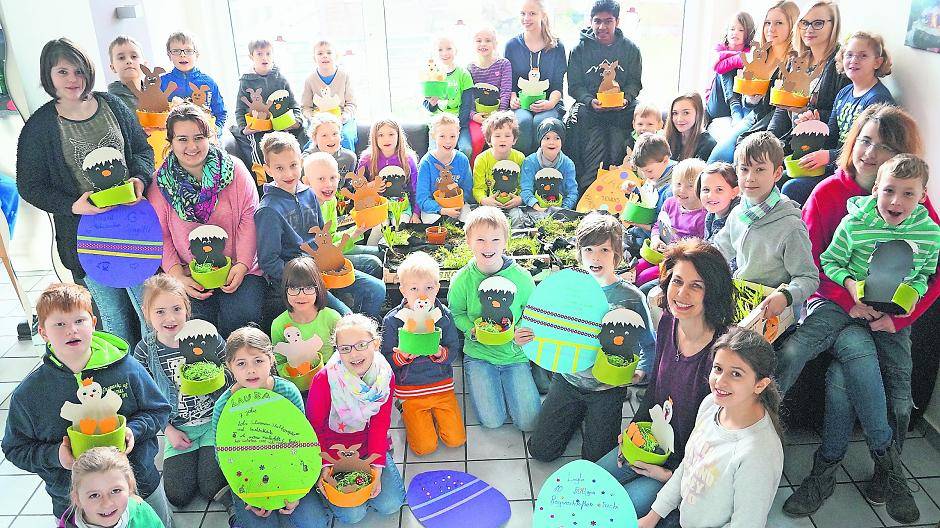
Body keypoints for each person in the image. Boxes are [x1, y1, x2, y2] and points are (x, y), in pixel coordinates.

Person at [777, 103, 940, 521]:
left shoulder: (915, 205)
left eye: (883, 147)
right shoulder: (829, 193)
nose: (869, 153)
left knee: (845, 382)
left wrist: (898, 318)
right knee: (851, 360)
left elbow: (932, 271)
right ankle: (861, 469)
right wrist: (851, 300)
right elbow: (813, 264)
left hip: (889, 316)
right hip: (837, 303)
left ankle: (850, 471)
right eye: (865, 140)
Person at [16, 38, 153, 347]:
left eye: (78, 71)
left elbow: (143, 152)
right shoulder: (40, 126)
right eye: (62, 72)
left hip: (133, 229)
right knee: (113, 317)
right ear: (48, 75)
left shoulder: (113, 106)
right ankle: (126, 385)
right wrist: (72, 205)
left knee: (149, 314)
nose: (72, 80)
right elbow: (29, 186)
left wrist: (140, 180)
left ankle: (157, 384)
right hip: (85, 238)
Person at [1, 283, 173, 525]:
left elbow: (158, 409)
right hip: (71, 500)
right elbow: (14, 448)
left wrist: (133, 430)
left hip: (140, 486)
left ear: (93, 323)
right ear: (43, 332)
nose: (71, 330)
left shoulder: (126, 368)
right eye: (59, 324)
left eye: (79, 321)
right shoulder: (30, 394)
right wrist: (56, 456)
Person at [596, 239, 736, 519]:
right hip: (650, 443)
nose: (682, 294)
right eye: (677, 281)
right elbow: (654, 392)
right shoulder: (668, 323)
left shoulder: (723, 355)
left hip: (685, 467)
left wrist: (668, 475)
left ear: (713, 293)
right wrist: (633, 434)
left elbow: (720, 442)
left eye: (696, 286)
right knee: (590, 484)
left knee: (615, 512)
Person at [526, 214, 655, 462]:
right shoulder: (567, 289)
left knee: (596, 461)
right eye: (589, 249)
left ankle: (585, 418)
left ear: (616, 254)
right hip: (568, 381)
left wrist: (639, 373)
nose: (595, 257)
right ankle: (574, 417)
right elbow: (546, 325)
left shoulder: (631, 297)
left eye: (604, 250)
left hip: (607, 390)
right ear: (579, 252)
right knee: (540, 451)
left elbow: (648, 344)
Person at [638, 328, 784, 528]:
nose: (720, 382)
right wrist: (652, 516)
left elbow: (747, 523)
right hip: (681, 516)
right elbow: (688, 465)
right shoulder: (711, 404)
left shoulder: (758, 454)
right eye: (717, 368)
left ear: (760, 385)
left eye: (736, 374)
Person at [147, 103, 265, 337]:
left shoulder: (235, 170)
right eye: (182, 139)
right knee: (197, 330)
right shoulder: (159, 183)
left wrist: (241, 266)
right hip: (188, 275)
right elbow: (159, 233)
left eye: (198, 137)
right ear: (170, 142)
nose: (191, 146)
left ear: (209, 137)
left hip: (240, 269)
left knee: (242, 320)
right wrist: (177, 275)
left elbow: (248, 218)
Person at [253, 132, 385, 319]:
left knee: (377, 289)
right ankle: (347, 326)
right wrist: (306, 280)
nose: (289, 174)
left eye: (293, 165)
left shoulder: (308, 194)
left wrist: (333, 257)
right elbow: (269, 262)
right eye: (279, 168)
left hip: (322, 265)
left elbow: (324, 237)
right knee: (344, 316)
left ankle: (360, 330)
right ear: (268, 169)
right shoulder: (268, 211)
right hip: (301, 280)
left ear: (300, 161)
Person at [212, 327, 332, 528]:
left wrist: (297, 491)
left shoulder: (288, 391)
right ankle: (233, 506)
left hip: (289, 471)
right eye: (241, 363)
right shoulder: (224, 405)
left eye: (258, 361)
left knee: (316, 523)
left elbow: (303, 443)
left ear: (271, 360)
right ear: (229, 366)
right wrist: (251, 495)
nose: (251, 370)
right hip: (250, 476)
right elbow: (221, 453)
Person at [133, 274, 227, 509]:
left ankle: (209, 461)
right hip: (177, 428)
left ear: (187, 308)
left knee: (212, 487)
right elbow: (142, 397)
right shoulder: (146, 350)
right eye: (160, 312)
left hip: (213, 422)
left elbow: (232, 372)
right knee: (177, 496)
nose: (170, 318)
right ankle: (195, 459)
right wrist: (168, 430)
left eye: (176, 308)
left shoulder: (208, 336)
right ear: (147, 313)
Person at [447, 206, 540, 431]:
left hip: (514, 356)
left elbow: (533, 313)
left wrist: (521, 331)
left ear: (506, 242)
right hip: (479, 355)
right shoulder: (462, 280)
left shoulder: (521, 278)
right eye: (480, 240)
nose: (488, 247)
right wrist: (471, 330)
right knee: (492, 421)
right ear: (468, 241)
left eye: (495, 240)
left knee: (529, 423)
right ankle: (483, 382)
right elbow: (456, 313)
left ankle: (528, 378)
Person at [308, 315, 407, 524]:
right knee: (353, 515)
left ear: (376, 344)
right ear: (337, 350)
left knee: (391, 503)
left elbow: (380, 424)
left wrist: (376, 468)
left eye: (361, 345)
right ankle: (323, 494)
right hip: (334, 451)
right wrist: (324, 466)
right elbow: (314, 427)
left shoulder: (384, 376)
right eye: (345, 348)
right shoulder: (325, 379)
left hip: (367, 446)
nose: (353, 354)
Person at [713, 131, 819, 320]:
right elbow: (719, 249)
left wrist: (785, 296)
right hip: (743, 297)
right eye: (744, 169)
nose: (750, 177)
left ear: (777, 173)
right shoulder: (738, 213)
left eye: (760, 169)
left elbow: (808, 278)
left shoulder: (791, 226)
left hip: (776, 311)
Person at [782, 31, 895, 205]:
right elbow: (832, 135)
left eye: (863, 56)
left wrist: (829, 156)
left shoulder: (877, 100)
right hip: (835, 163)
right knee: (781, 175)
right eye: (849, 55)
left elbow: (873, 153)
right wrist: (814, 126)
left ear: (877, 62)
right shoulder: (844, 93)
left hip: (857, 173)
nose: (854, 60)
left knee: (793, 187)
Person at [381, 251, 465, 456]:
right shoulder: (393, 320)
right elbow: (385, 358)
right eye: (414, 288)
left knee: (456, 440)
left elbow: (454, 349)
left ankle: (433, 416)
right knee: (424, 448)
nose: (422, 295)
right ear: (402, 290)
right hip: (411, 390)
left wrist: (440, 353)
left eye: (429, 287)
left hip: (441, 386)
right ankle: (406, 409)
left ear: (437, 287)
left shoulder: (443, 316)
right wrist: (401, 357)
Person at [708, 1, 799, 164]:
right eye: (767, 23)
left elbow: (782, 110)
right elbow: (750, 103)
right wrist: (751, 98)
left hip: (774, 121)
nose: (771, 28)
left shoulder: (795, 60)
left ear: (792, 26)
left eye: (779, 23)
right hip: (755, 114)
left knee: (736, 155)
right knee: (717, 157)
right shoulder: (760, 54)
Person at [566, 0, 643, 192]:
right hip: (591, 108)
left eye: (608, 21)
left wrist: (627, 99)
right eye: (597, 21)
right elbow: (574, 86)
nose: (602, 26)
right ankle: (584, 186)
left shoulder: (631, 50)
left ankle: (624, 185)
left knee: (640, 113)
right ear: (591, 22)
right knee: (578, 116)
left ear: (617, 21)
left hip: (621, 108)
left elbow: (635, 83)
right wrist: (589, 101)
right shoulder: (579, 50)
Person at [767, 1, 847, 150]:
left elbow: (841, 118)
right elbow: (782, 110)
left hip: (817, 147)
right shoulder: (796, 60)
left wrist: (806, 111)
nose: (809, 29)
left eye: (818, 23)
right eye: (804, 23)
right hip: (790, 139)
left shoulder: (841, 64)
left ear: (833, 25)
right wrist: (769, 139)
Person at [304, 152, 384, 280]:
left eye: (333, 178)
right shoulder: (307, 210)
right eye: (321, 179)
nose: (329, 184)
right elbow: (323, 251)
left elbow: (332, 236)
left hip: (335, 249)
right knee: (373, 264)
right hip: (322, 261)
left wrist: (358, 230)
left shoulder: (330, 201)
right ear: (307, 182)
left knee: (381, 253)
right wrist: (353, 235)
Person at [233, 39, 306, 171]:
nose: (264, 57)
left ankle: (296, 176)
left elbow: (294, 105)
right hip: (258, 129)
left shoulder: (281, 79)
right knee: (257, 147)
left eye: (268, 53)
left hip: (281, 126)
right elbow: (239, 110)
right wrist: (244, 128)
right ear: (251, 57)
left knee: (297, 142)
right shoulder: (246, 82)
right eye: (259, 54)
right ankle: (262, 180)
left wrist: (297, 121)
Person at [505, 0, 567, 154]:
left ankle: (544, 172)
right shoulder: (512, 46)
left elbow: (557, 85)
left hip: (549, 103)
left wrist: (550, 103)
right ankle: (522, 168)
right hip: (521, 106)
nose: (526, 18)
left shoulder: (557, 46)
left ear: (543, 15)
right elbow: (509, 82)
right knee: (522, 122)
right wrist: (513, 98)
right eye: (523, 13)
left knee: (543, 123)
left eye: (532, 13)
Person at [634, 158, 707, 287]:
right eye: (678, 184)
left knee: (644, 277)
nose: (681, 190)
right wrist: (656, 239)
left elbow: (699, 249)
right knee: (635, 269)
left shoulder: (703, 215)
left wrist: (673, 249)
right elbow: (658, 225)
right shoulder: (670, 203)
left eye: (690, 186)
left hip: (679, 262)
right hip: (659, 253)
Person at [58, 447, 164, 528]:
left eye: (115, 491)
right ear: (77, 499)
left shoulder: (141, 512)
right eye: (94, 495)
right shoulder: (67, 524)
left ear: (129, 488)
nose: (107, 503)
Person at [271, 256, 342, 366]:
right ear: (285, 290)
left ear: (318, 289)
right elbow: (279, 361)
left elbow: (342, 353)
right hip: (295, 378)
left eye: (309, 288)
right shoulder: (278, 324)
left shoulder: (332, 318)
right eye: (294, 288)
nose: (301, 295)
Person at [462, 28, 513, 164]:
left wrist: (497, 116)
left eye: (488, 41)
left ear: (495, 44)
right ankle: (474, 173)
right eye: (478, 41)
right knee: (477, 139)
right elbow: (468, 97)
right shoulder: (469, 68)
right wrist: (473, 115)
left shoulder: (504, 64)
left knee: (501, 138)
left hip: (500, 116)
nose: (483, 44)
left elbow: (506, 91)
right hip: (478, 117)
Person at [160, 32, 227, 135]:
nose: (182, 55)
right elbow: (157, 114)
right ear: (169, 55)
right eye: (176, 51)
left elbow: (221, 113)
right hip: (175, 139)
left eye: (188, 51)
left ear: (197, 54)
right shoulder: (162, 83)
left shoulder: (208, 82)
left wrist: (216, 131)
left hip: (206, 137)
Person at [356, 118, 420, 222]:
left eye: (391, 134)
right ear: (374, 138)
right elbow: (358, 189)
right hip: (377, 206)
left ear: (398, 136)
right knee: (379, 227)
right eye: (381, 135)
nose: (387, 139)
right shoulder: (366, 159)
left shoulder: (407, 159)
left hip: (402, 207)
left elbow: (416, 188)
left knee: (399, 227)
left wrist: (416, 213)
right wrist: (370, 186)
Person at [518, 118, 577, 225]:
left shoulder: (568, 164)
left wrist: (563, 209)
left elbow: (572, 192)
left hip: (560, 209)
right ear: (540, 140)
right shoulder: (530, 162)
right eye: (547, 138)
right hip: (535, 208)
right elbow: (525, 189)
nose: (551, 142)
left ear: (562, 141)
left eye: (557, 138)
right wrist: (536, 206)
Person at [624, 133, 675, 256]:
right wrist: (634, 192)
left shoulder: (672, 190)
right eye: (642, 171)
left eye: (648, 171)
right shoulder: (656, 173)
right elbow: (648, 200)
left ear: (665, 160)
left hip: (655, 243)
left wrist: (646, 226)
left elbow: (670, 232)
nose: (646, 175)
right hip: (640, 232)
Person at [302, 40, 358, 152]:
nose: (324, 56)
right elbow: (305, 107)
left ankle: (347, 168)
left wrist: (344, 117)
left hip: (342, 120)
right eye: (320, 53)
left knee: (345, 138)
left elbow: (351, 104)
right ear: (314, 58)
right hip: (319, 122)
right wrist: (314, 119)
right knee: (310, 145)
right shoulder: (310, 79)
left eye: (329, 53)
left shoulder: (344, 76)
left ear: (336, 56)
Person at [417, 112, 474, 221]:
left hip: (458, 205)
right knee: (434, 223)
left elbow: (467, 189)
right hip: (433, 208)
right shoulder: (426, 163)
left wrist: (457, 204)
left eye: (452, 136)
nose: (448, 141)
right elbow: (422, 198)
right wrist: (442, 209)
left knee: (468, 221)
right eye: (442, 136)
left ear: (458, 134)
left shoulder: (462, 160)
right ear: (434, 136)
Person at [423, 36, 474, 159]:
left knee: (466, 149)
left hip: (459, 122)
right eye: (440, 50)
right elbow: (427, 104)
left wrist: (457, 125)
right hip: (438, 123)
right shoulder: (431, 74)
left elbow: (467, 104)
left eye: (449, 48)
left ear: (455, 50)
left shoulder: (463, 74)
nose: (445, 53)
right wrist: (432, 104)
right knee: (434, 152)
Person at [704, 12, 755, 123]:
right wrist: (739, 56)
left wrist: (725, 57)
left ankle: (740, 109)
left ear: (748, 33)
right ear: (726, 31)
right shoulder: (719, 48)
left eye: (741, 30)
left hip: (743, 101)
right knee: (724, 69)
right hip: (717, 104)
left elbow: (747, 62)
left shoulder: (751, 51)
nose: (735, 33)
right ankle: (735, 107)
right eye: (732, 29)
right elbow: (719, 68)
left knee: (735, 68)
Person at [472, 111, 525, 209]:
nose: (502, 139)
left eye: (507, 136)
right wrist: (484, 200)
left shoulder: (520, 158)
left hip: (514, 205)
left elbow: (524, 185)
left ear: (514, 140)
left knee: (518, 219)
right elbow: (478, 188)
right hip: (489, 205)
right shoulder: (481, 159)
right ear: (489, 140)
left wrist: (520, 199)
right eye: (497, 136)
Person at [664, 93, 715, 161]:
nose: (679, 119)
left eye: (686, 113)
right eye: (675, 113)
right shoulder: (669, 137)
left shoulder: (708, 144)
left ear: (698, 113)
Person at [304, 112, 358, 176]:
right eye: (324, 135)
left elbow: (350, 182)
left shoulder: (349, 157)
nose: (331, 139)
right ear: (314, 138)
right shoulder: (307, 158)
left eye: (335, 134)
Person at [697, 162, 740, 242]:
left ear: (734, 192)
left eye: (719, 189)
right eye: (706, 190)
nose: (711, 196)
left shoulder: (737, 220)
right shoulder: (710, 215)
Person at [106, 35, 145, 111]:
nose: (129, 61)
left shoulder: (156, 92)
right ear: (113, 67)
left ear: (144, 64)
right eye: (121, 58)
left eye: (134, 56)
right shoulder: (110, 102)